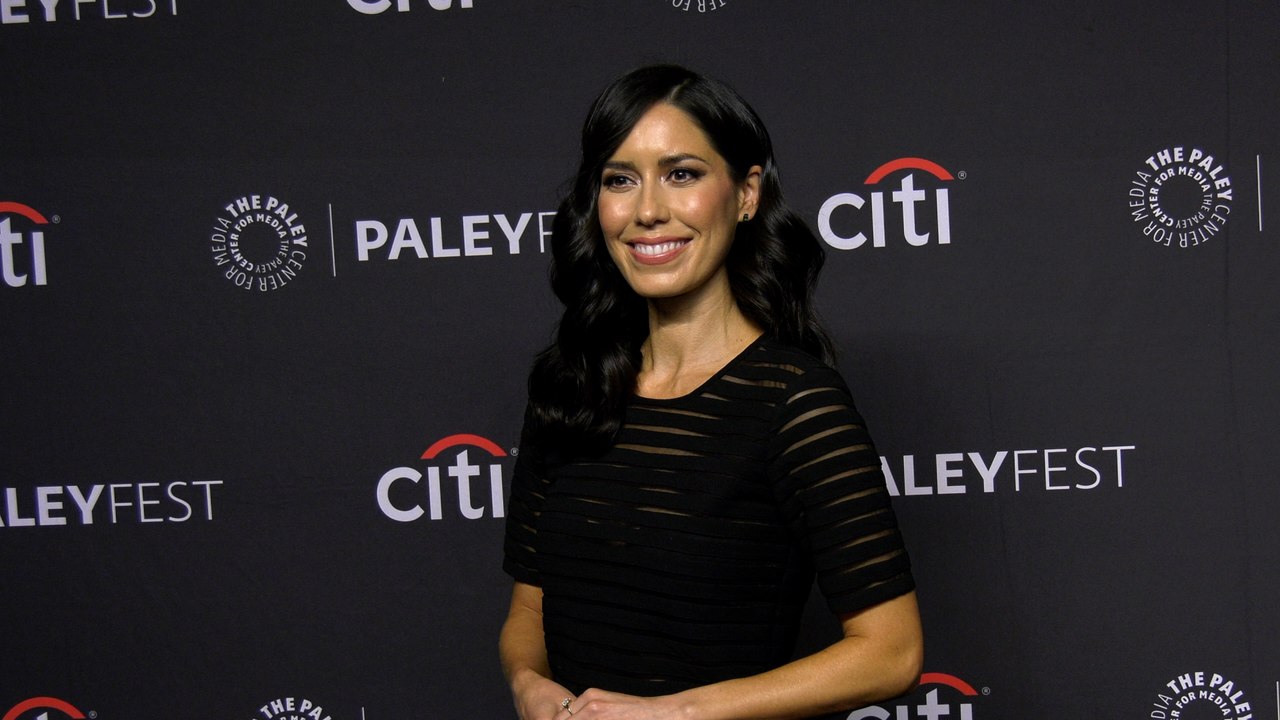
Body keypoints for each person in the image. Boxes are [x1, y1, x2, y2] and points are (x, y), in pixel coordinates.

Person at [499, 64, 922, 720]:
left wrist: (672, 714)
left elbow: (891, 653)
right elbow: (530, 609)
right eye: (619, 180)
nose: (647, 211)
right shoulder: (571, 389)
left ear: (747, 194)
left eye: (682, 174)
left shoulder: (797, 404)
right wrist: (528, 683)